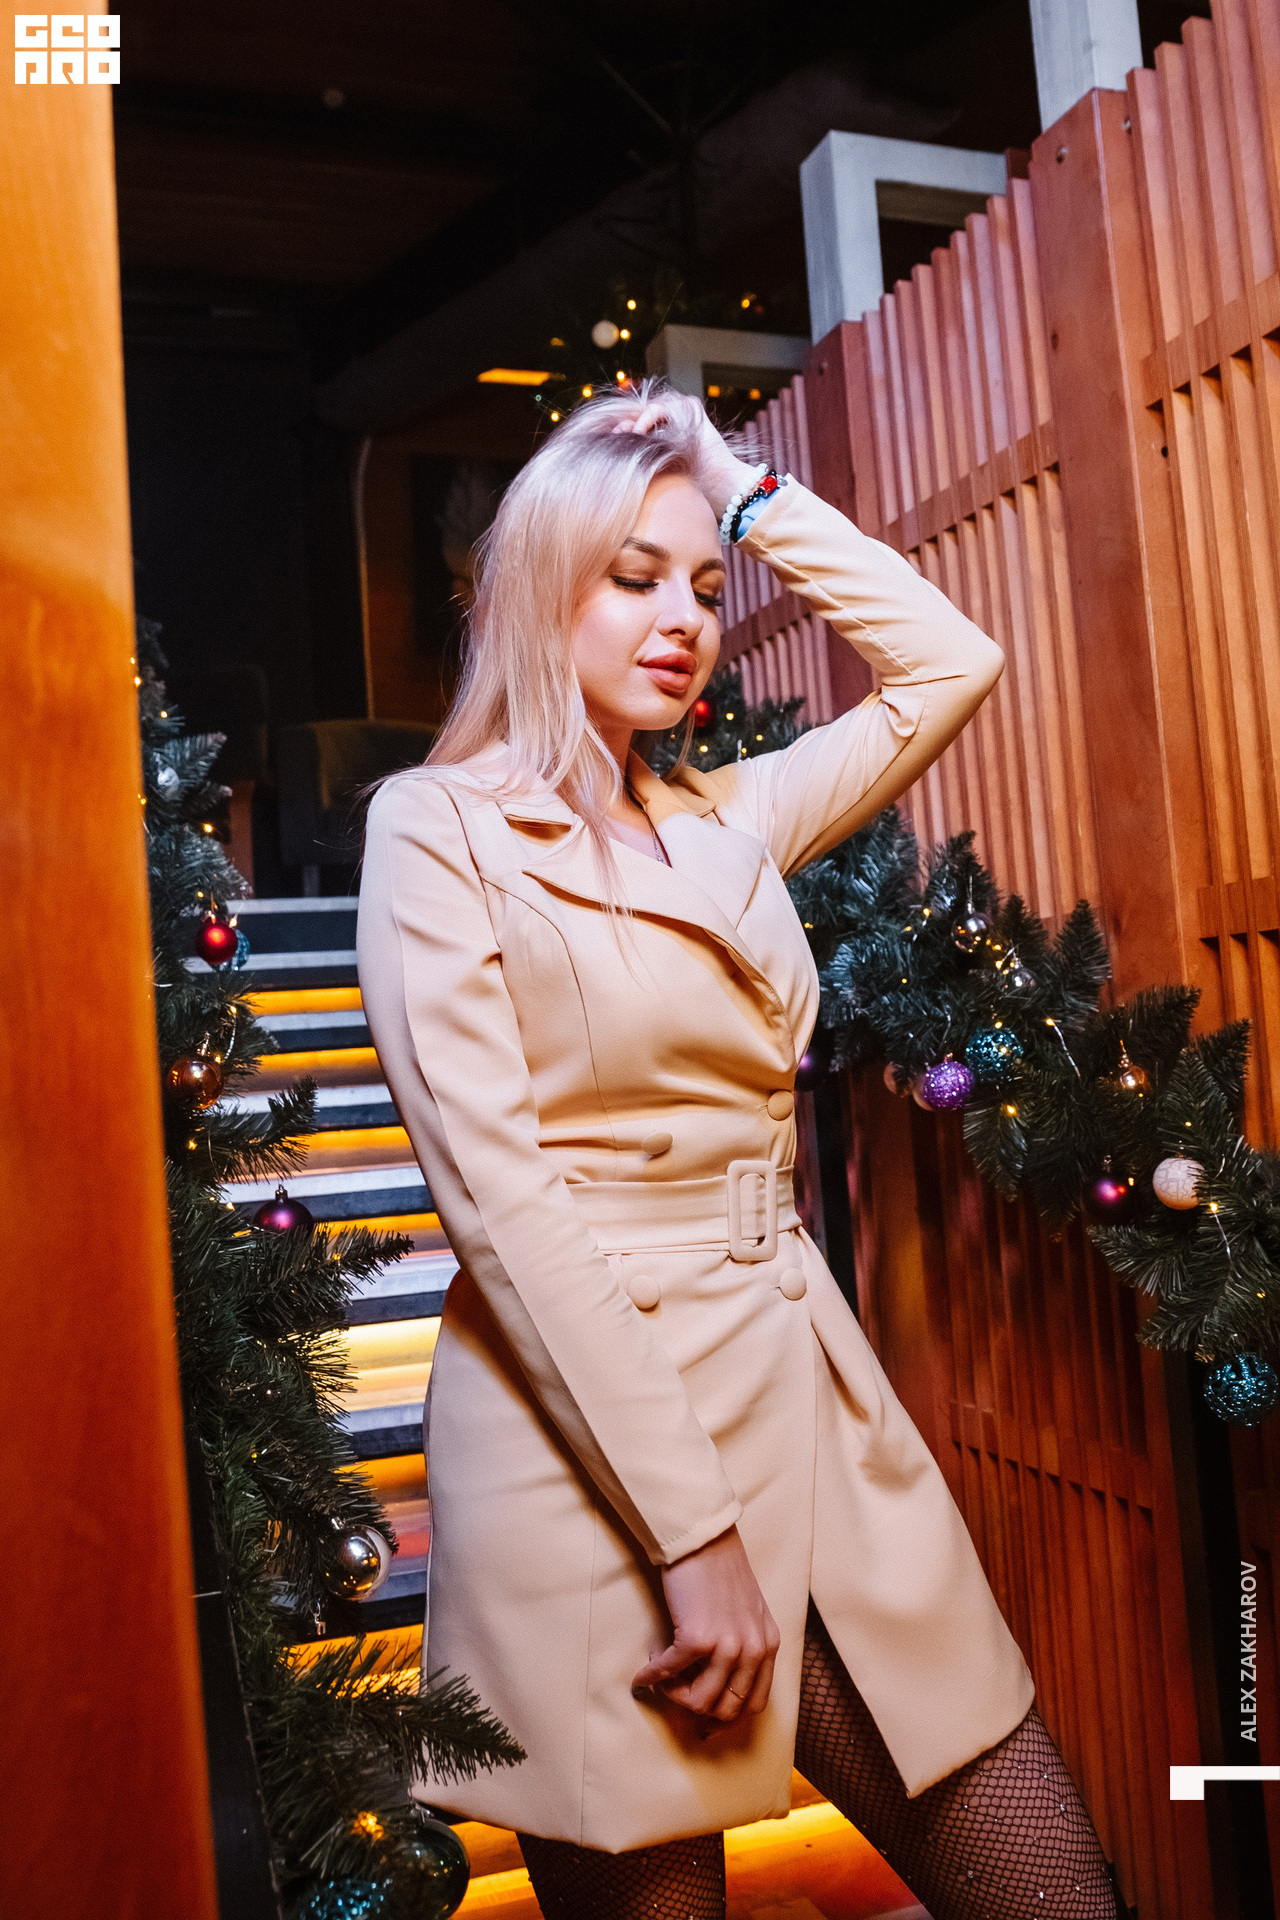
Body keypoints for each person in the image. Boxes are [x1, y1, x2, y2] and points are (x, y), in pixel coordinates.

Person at [356, 384, 1121, 1920]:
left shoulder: (727, 820)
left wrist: (744, 486)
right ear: (540, 588)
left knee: (1049, 1882)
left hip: (806, 1387)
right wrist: (693, 1539)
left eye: (706, 590)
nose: (684, 621)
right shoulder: (436, 830)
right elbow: (506, 1207)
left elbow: (949, 663)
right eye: (634, 577)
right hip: (585, 1445)